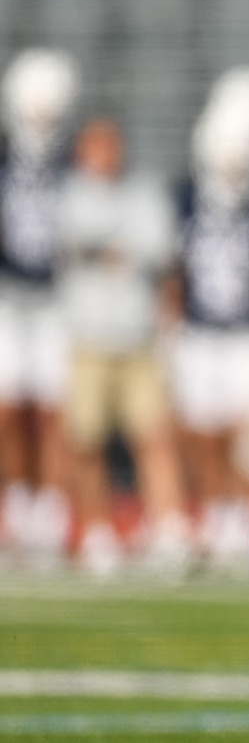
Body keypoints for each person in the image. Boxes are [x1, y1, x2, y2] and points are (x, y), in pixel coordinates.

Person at [174, 68, 249, 574]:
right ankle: (217, 513)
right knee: (204, 431)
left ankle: (244, 522)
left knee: (248, 436)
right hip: (201, 330)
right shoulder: (185, 195)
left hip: (248, 331)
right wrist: (169, 329)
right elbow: (172, 270)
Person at [58, 116, 185, 577]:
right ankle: (97, 531)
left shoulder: (143, 193)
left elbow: (157, 251)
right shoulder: (66, 193)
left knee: (153, 436)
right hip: (88, 337)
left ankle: (168, 529)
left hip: (137, 338)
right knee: (86, 440)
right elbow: (67, 247)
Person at [0, 49, 77, 568]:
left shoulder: (70, 162)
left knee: (52, 408)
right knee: (8, 409)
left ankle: (49, 510)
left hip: (58, 299)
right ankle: (15, 506)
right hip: (8, 293)